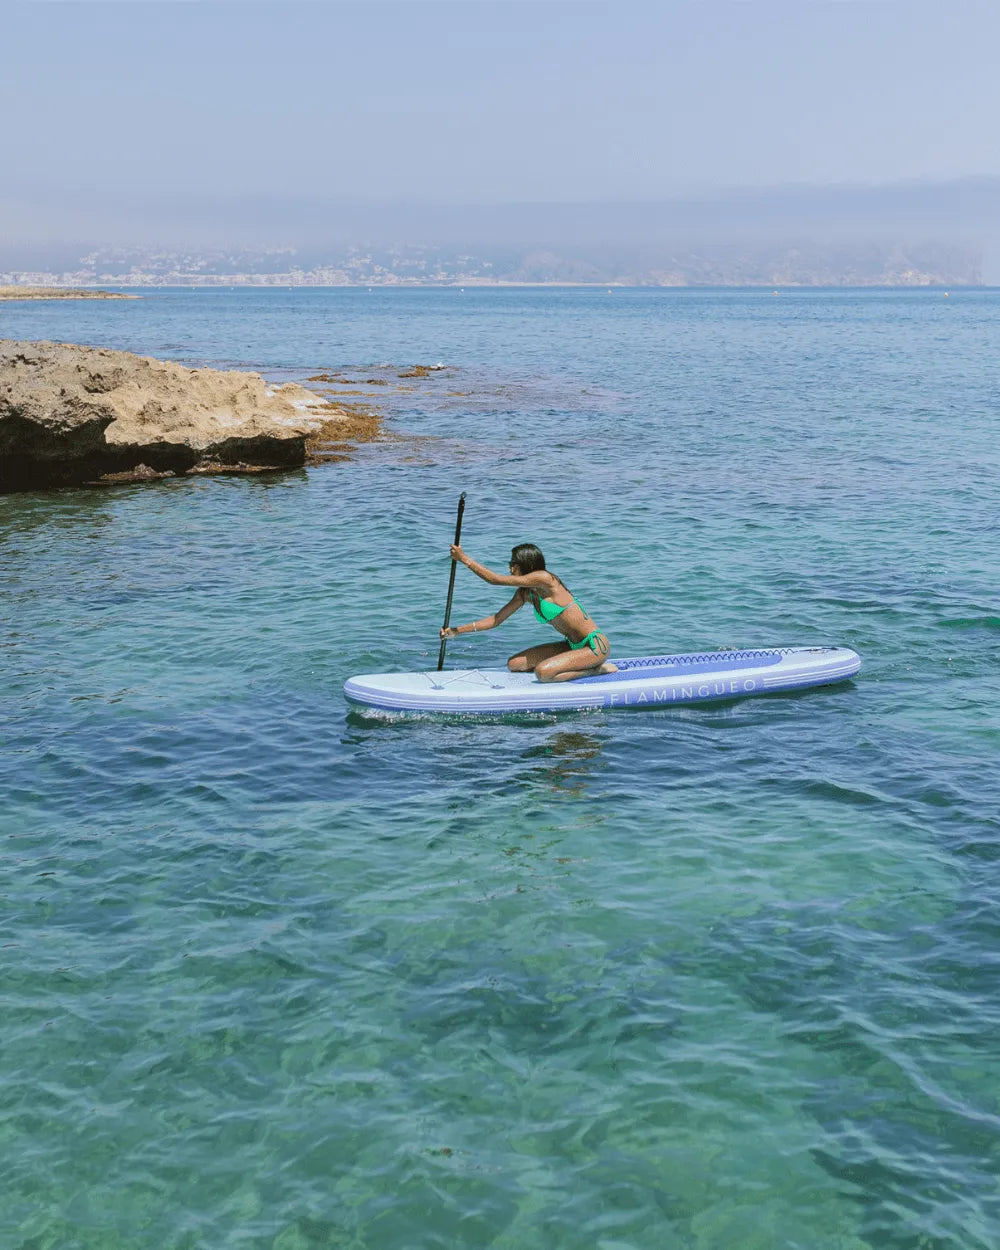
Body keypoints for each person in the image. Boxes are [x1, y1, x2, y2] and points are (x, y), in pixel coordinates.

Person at [440, 542, 616, 682]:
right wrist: (456, 631)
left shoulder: (545, 579)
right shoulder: (525, 593)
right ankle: (567, 667)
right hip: (571, 645)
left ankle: (594, 670)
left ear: (526, 565)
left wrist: (464, 559)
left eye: (513, 564)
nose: (510, 568)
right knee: (514, 664)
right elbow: (496, 620)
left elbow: (495, 580)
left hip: (593, 646)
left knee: (543, 673)